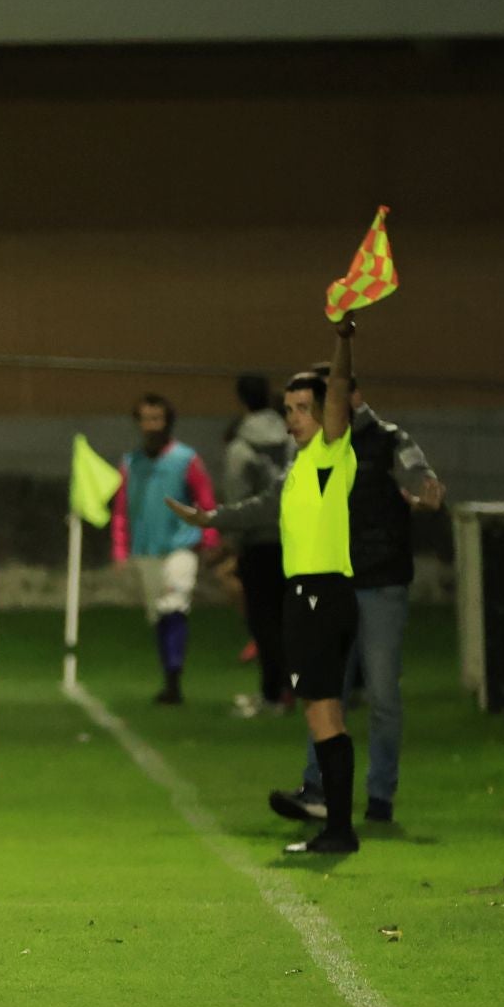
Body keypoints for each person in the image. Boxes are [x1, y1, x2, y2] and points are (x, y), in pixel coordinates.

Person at [199, 362, 443, 828]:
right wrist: (216, 519)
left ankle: (379, 797)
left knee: (383, 694)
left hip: (381, 582)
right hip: (335, 584)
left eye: (313, 403)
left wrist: (423, 493)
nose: (300, 416)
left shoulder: (386, 439)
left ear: (349, 397)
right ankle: (319, 791)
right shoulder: (310, 451)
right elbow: (275, 499)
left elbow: (417, 476)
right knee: (322, 691)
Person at [172, 318, 366, 854]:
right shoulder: (301, 466)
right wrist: (207, 517)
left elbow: (340, 392)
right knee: (323, 711)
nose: (294, 419)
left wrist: (343, 343)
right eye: (290, 409)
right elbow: (261, 506)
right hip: (312, 594)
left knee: (322, 712)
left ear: (330, 412)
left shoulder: (330, 452)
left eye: (305, 408)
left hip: (320, 594)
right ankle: (336, 824)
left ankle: (338, 829)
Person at [110, 393, 218, 704]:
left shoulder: (185, 459)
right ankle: (169, 677)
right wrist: (120, 548)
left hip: (180, 546)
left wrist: (209, 538)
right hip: (146, 549)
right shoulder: (131, 463)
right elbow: (121, 509)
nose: (152, 425)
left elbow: (205, 499)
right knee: (159, 613)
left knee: (175, 604)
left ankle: (174, 677)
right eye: (146, 419)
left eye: (158, 419)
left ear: (168, 422)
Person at [222, 374, 292, 716]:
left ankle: (272, 694)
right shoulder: (293, 438)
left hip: (258, 542)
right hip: (293, 539)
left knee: (263, 623)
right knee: (289, 618)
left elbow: (238, 500)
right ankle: (293, 689)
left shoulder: (241, 447)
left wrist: (231, 543)